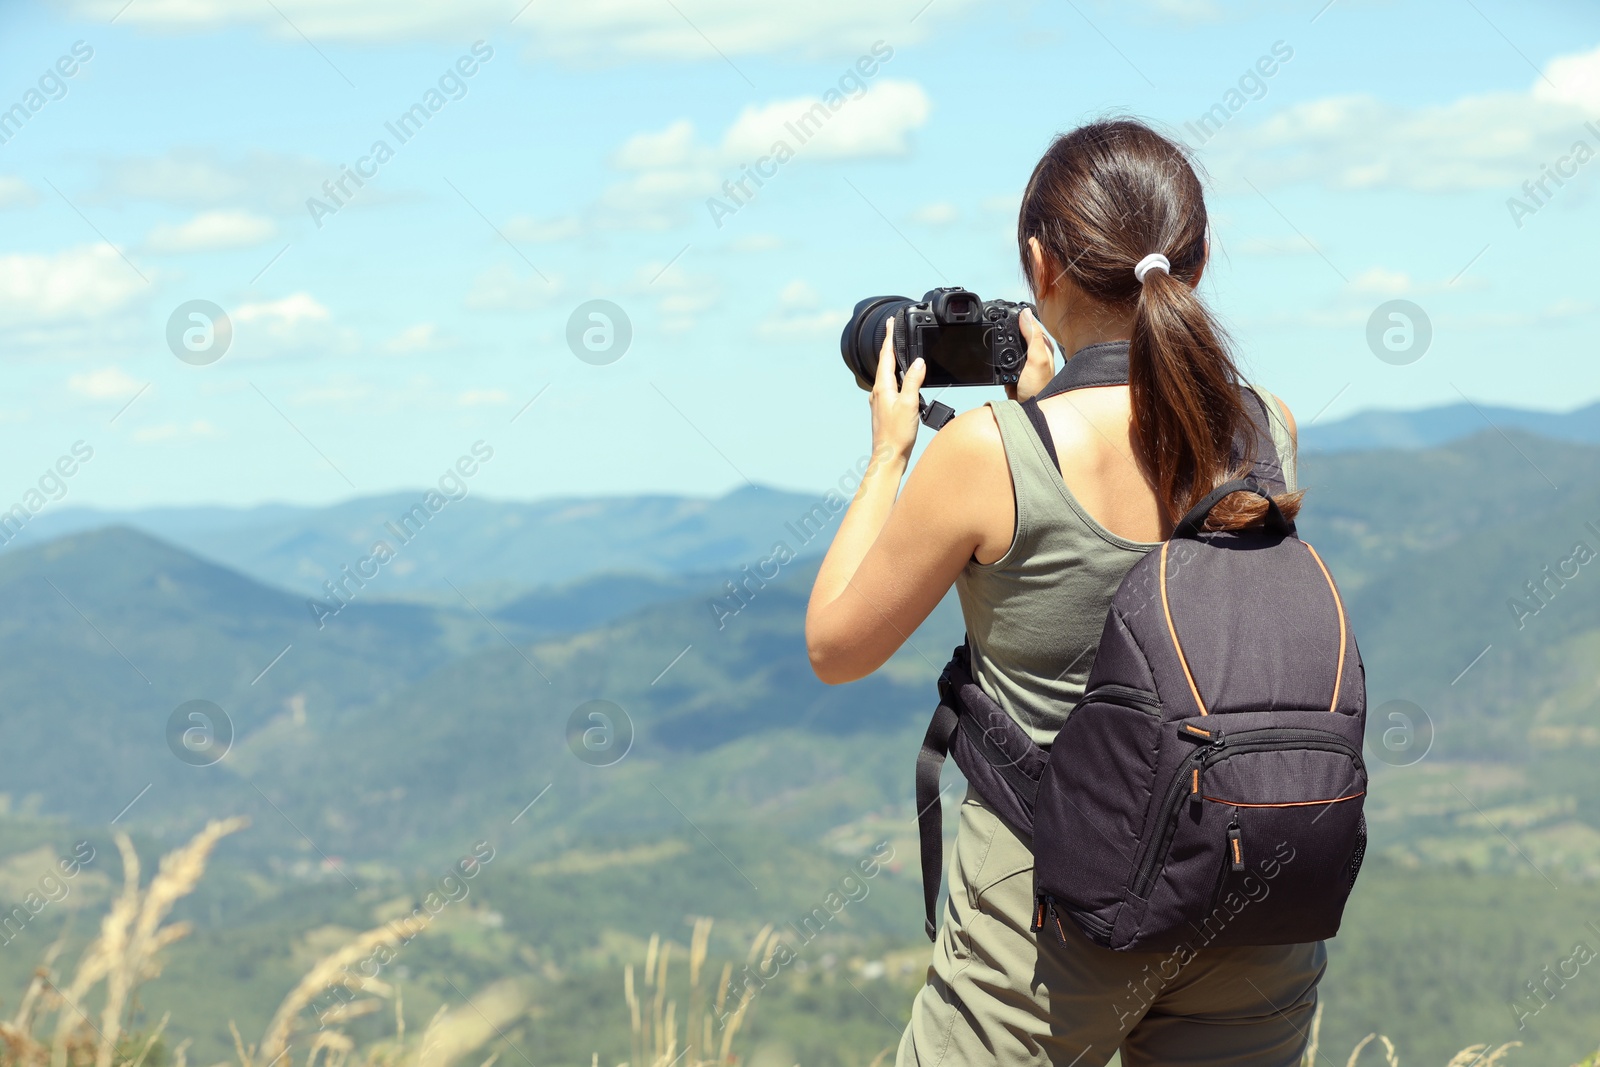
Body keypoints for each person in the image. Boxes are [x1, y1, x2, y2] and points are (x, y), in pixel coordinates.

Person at [805, 119, 1321, 1067]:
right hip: (1252, 891)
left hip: (1049, 915)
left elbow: (838, 646)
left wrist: (889, 455)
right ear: (1194, 263)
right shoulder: (1267, 427)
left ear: (1041, 266)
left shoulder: (994, 451)